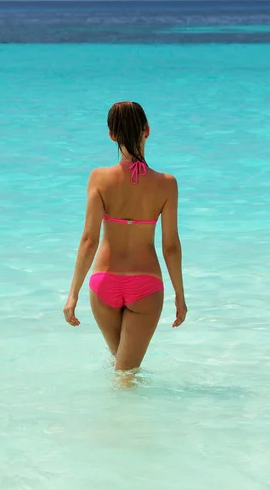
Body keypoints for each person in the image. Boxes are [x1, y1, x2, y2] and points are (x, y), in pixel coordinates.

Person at [63, 101, 187, 375]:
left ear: (111, 135)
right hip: (146, 286)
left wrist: (73, 294)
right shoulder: (167, 184)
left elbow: (88, 240)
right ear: (147, 131)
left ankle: (113, 416)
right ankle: (129, 417)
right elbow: (170, 247)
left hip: (104, 284)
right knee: (127, 373)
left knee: (120, 366)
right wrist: (180, 295)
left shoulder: (98, 178)